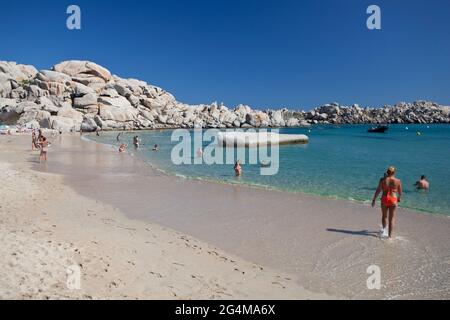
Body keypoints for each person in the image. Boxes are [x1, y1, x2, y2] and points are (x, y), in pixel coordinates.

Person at [372, 166, 402, 239]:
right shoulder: (398, 181)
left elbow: (378, 190)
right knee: (391, 218)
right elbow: (400, 192)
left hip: (384, 198)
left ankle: (384, 232)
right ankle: (390, 236)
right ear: (394, 172)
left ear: (387, 171)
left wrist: (374, 199)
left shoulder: (382, 180)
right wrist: (399, 198)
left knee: (384, 216)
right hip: (393, 199)